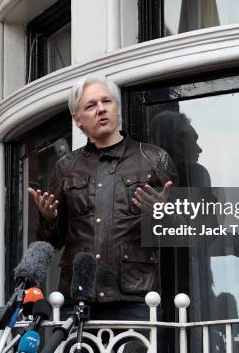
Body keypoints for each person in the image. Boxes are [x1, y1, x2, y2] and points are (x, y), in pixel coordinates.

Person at [28, 75, 177, 349]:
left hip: (135, 300)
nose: (101, 108)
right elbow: (52, 242)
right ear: (77, 120)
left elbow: (184, 238)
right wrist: (48, 220)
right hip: (79, 300)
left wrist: (162, 213)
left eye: (106, 101)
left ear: (117, 108)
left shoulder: (155, 159)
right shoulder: (65, 167)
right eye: (91, 105)